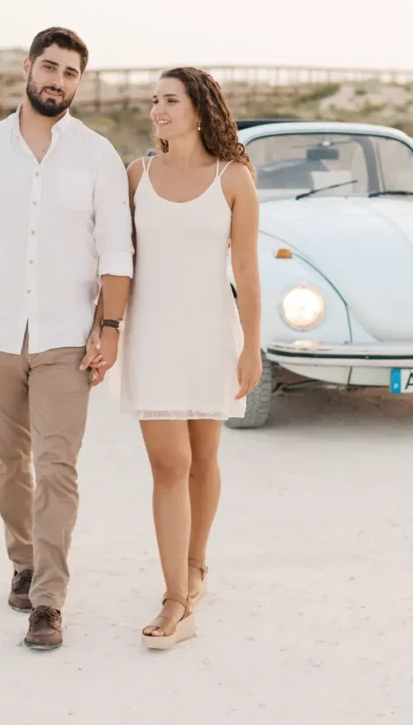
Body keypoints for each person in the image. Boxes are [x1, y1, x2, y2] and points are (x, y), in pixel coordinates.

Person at [0, 27, 132, 651]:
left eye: (71, 73)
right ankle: (22, 559)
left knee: (57, 467)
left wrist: (109, 329)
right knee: (6, 463)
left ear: (80, 81)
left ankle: (47, 598)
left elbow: (116, 253)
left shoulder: (96, 154)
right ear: (27, 68)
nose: (58, 81)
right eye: (50, 68)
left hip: (66, 339)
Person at [119, 66, 262, 649]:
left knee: (204, 458)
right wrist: (102, 330)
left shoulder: (234, 179)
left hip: (209, 335)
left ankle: (197, 565)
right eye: (154, 100)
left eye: (170, 100)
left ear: (199, 109)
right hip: (150, 336)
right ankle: (176, 598)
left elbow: (248, 270)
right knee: (169, 464)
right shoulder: (137, 175)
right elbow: (115, 259)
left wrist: (252, 344)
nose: (158, 109)